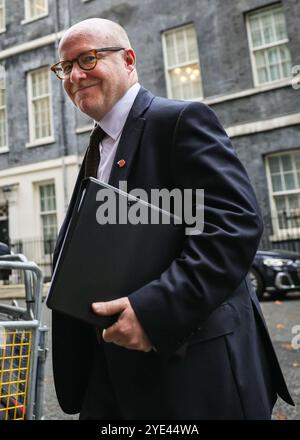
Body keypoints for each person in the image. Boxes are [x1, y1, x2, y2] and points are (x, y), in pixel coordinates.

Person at [50, 18, 293, 420]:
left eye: (88, 59)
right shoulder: (99, 146)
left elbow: (232, 227)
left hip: (190, 378)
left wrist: (152, 312)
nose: (75, 75)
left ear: (129, 60)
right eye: (65, 67)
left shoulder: (179, 120)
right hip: (112, 382)